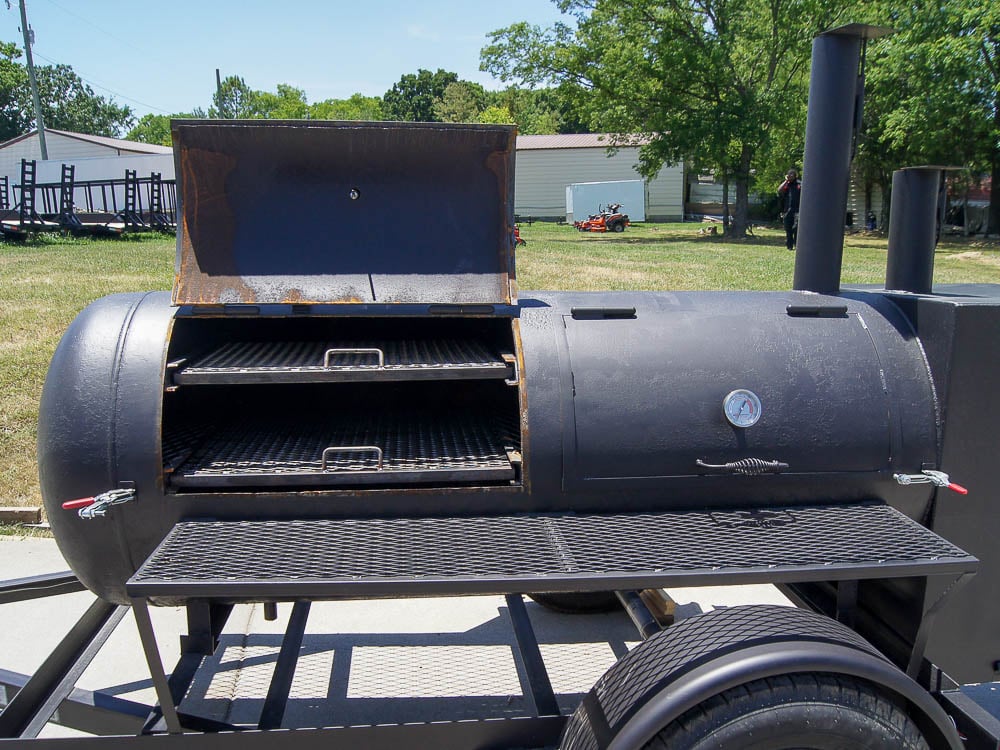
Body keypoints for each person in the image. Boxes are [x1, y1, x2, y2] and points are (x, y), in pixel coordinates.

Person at [778, 169, 801, 250]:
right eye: (789, 174)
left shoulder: (799, 184)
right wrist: (786, 181)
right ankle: (789, 246)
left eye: (792, 175)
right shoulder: (786, 185)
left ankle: (797, 244)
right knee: (788, 228)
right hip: (788, 210)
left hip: (798, 210)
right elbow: (779, 190)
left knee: (796, 228)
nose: (790, 176)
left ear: (795, 176)